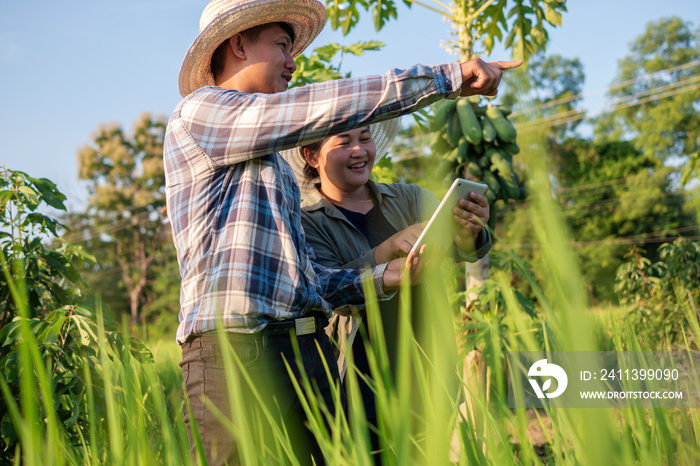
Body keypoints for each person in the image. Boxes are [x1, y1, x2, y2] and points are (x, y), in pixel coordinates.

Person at [164, 0, 521, 464]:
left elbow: (306, 283)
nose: (293, 61)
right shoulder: (201, 113)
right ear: (238, 43)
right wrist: (446, 78)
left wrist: (384, 275)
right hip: (237, 355)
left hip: (305, 351)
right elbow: (324, 106)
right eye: (282, 45)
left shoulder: (275, 168)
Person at [281, 120, 491, 459]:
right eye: (344, 142)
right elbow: (321, 286)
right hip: (357, 382)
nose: (359, 150)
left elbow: (465, 248)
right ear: (312, 155)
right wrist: (385, 251)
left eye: (365, 139)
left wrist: (470, 228)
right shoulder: (306, 221)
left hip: (428, 370)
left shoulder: (409, 198)